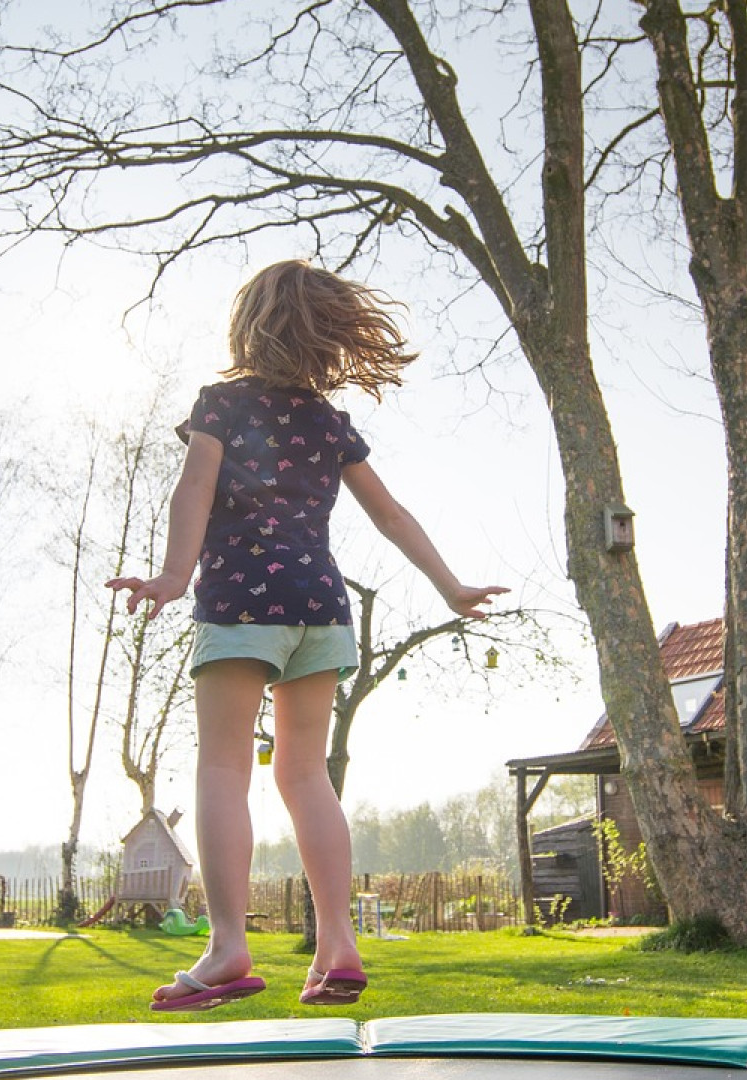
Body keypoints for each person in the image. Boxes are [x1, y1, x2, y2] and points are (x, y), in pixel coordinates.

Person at [107, 260, 506, 1011]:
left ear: (249, 325)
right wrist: (450, 586)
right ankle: (337, 944)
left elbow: (192, 488)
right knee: (305, 773)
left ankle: (228, 947)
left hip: (241, 604)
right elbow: (391, 515)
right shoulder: (329, 421)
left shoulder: (220, 405)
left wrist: (169, 577)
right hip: (321, 606)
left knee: (224, 769)